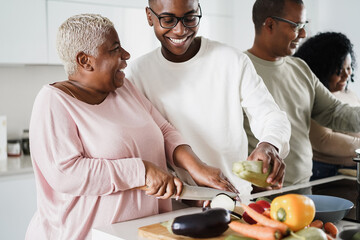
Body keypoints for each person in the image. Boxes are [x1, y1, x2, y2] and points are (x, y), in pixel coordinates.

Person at [25, 13, 236, 240]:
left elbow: (164, 131)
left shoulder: (124, 88)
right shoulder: (53, 102)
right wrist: (141, 171)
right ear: (85, 60)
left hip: (144, 231)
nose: (126, 55)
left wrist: (197, 167)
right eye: (115, 49)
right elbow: (67, 174)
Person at [126, 0, 291, 196]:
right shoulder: (137, 73)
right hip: (177, 202)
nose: (180, 30)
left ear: (199, 11)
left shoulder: (231, 60)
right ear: (149, 16)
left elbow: (271, 116)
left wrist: (269, 144)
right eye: (168, 20)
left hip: (236, 198)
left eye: (190, 18)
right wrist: (191, 196)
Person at [244, 0, 360, 186]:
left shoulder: (300, 68)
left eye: (304, 25)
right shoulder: (240, 68)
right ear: (270, 24)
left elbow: (335, 112)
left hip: (304, 186)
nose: (304, 34)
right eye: (296, 26)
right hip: (259, 194)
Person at [294, 32, 360, 180]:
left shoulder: (348, 93)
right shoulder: (312, 97)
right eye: (338, 70)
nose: (346, 75)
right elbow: (324, 140)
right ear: (322, 69)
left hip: (351, 167)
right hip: (328, 172)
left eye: (349, 67)